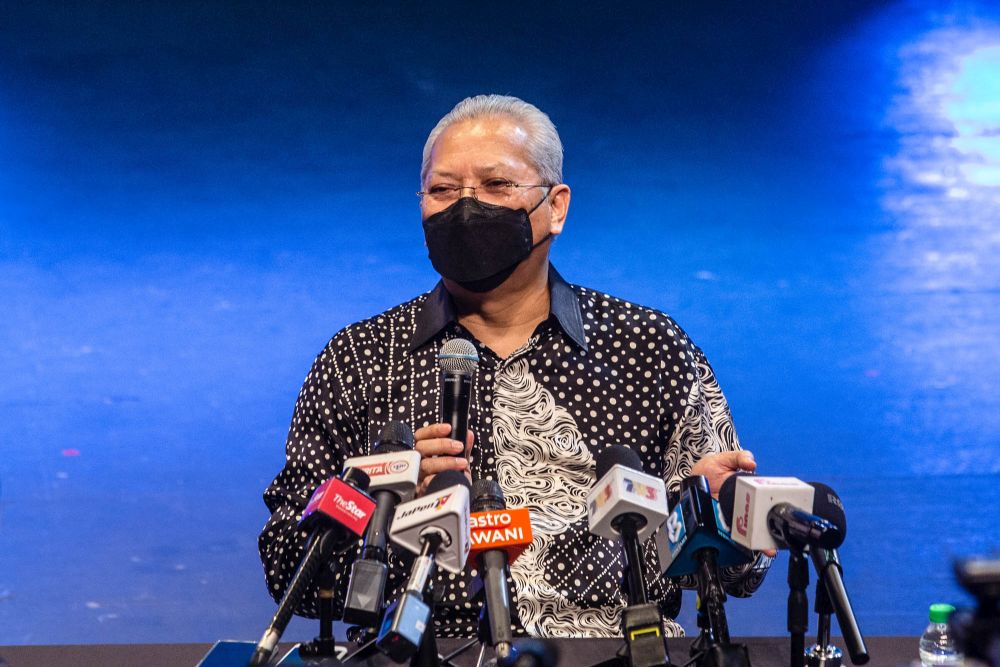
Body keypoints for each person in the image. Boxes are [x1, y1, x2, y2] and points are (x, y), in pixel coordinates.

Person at [258, 94, 772, 639]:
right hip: (424, 651)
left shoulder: (650, 348)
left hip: (616, 648)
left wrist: (714, 515)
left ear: (556, 206)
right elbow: (286, 570)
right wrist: (378, 511)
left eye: (496, 186)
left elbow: (743, 575)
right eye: (443, 189)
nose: (466, 207)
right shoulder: (359, 359)